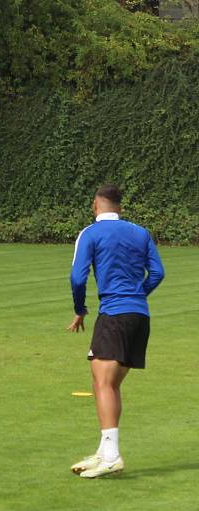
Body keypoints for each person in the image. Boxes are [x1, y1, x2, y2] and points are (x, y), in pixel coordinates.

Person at [67, 184, 164, 478]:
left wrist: (80, 308)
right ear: (119, 206)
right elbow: (158, 273)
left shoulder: (90, 234)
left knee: (103, 382)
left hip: (114, 315)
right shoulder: (140, 232)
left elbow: (77, 276)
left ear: (96, 205)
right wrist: (138, 294)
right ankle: (105, 451)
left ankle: (111, 456)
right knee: (106, 383)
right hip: (139, 317)